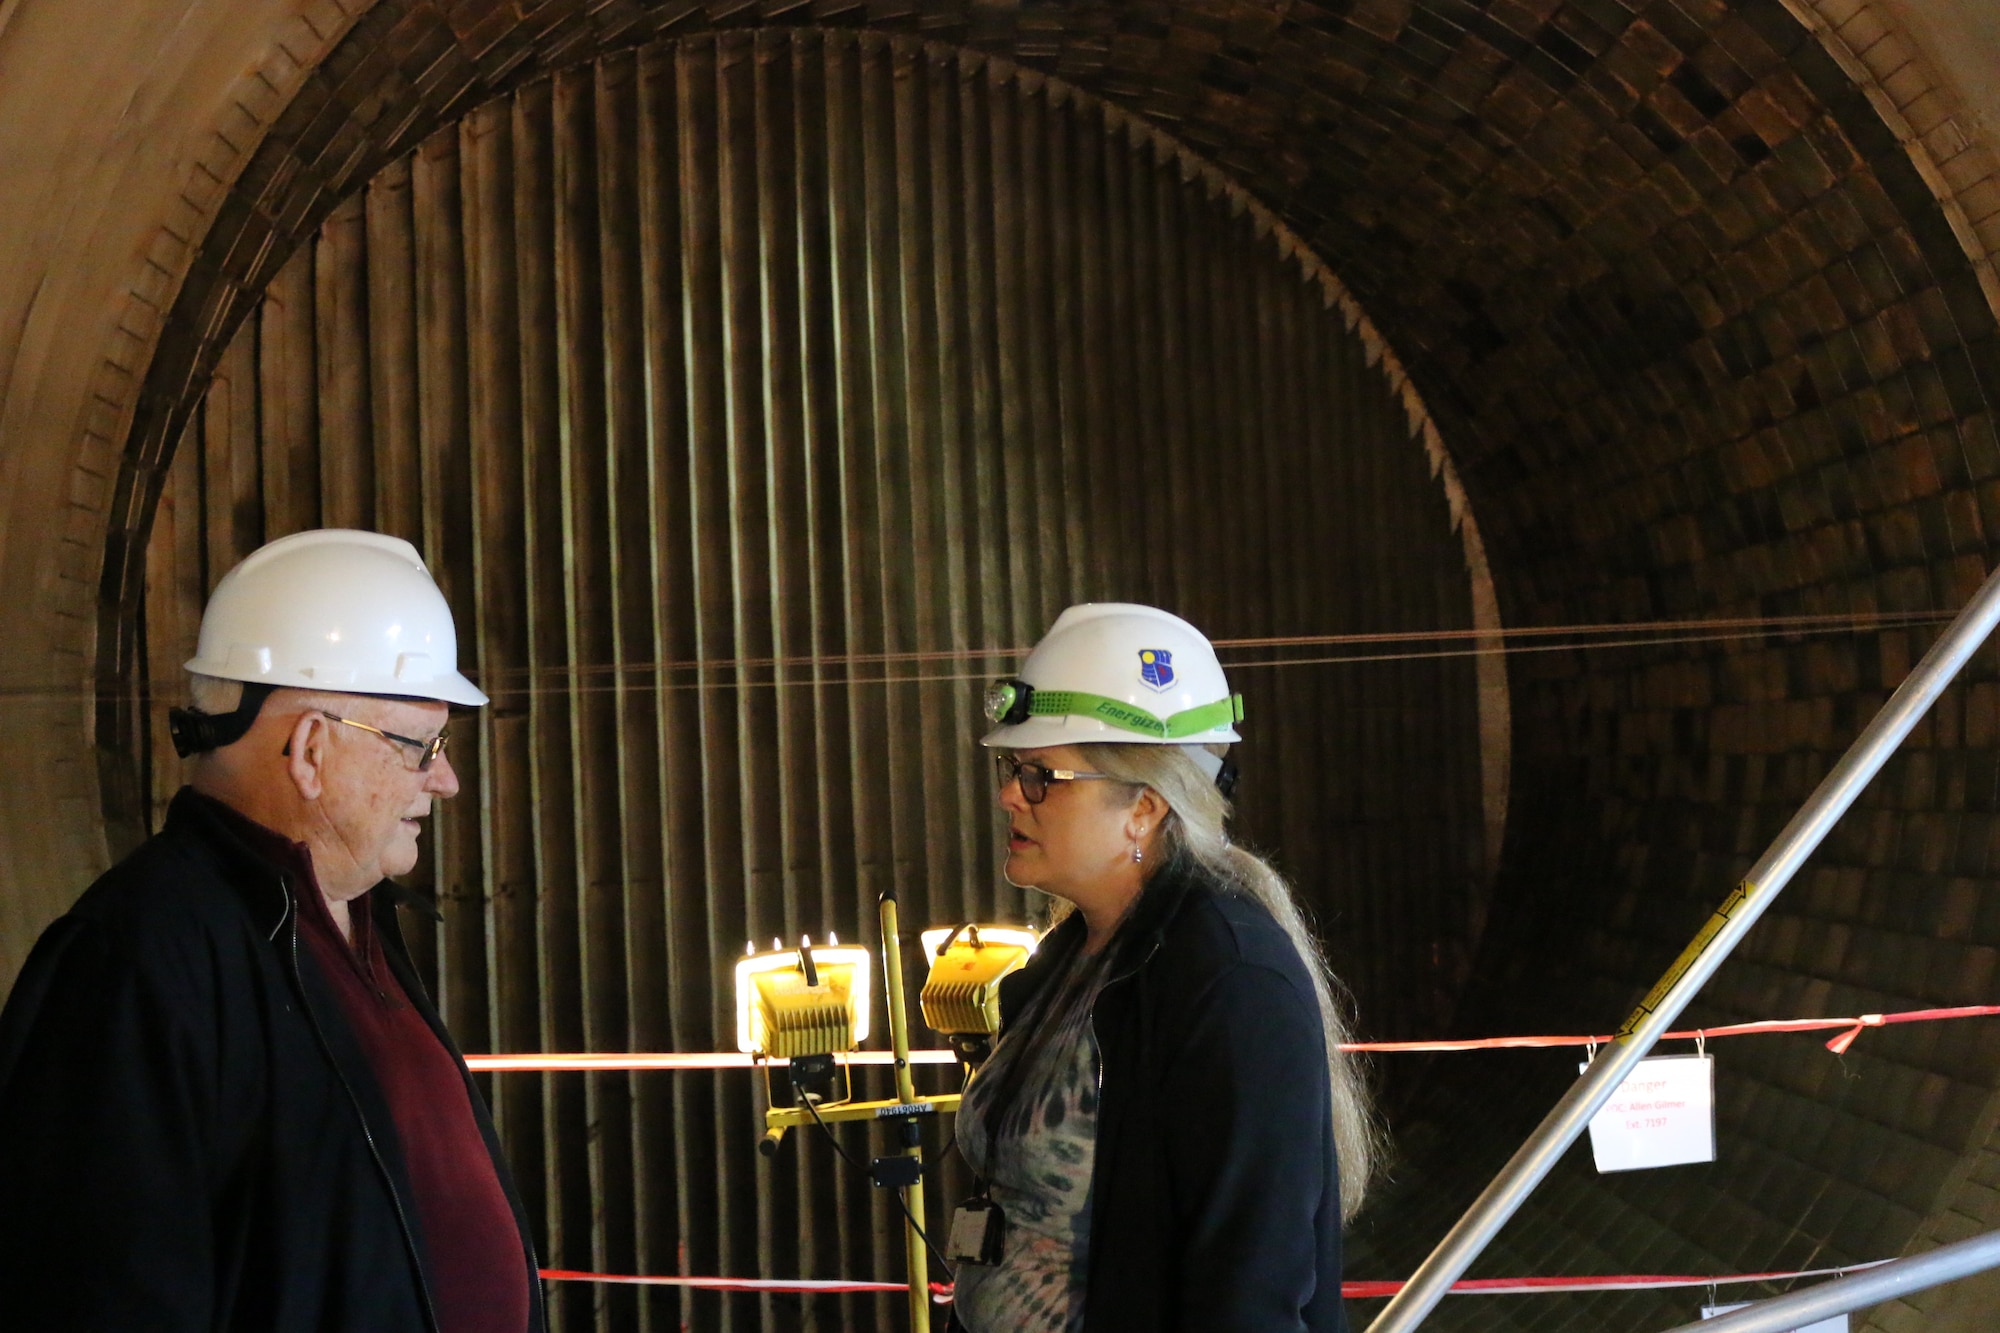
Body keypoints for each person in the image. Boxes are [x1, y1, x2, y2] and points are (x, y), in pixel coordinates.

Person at [0, 529, 544, 1332]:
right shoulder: (139, 963)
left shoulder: (349, 924)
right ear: (311, 749)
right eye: (419, 745)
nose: (447, 779)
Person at [949, 603, 1379, 1332]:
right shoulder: (1075, 959)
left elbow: (1248, 1294)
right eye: (1009, 769)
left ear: (1143, 808)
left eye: (1040, 775)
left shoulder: (1231, 984)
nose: (1009, 794)